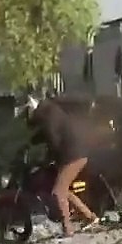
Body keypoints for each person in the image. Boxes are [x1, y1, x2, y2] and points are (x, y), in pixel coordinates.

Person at [26, 94, 101, 236]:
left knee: (57, 192)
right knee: (64, 190)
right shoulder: (50, 111)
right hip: (76, 153)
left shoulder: (48, 115)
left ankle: (68, 228)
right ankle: (90, 217)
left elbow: (53, 140)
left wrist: (46, 159)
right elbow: (49, 136)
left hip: (72, 156)